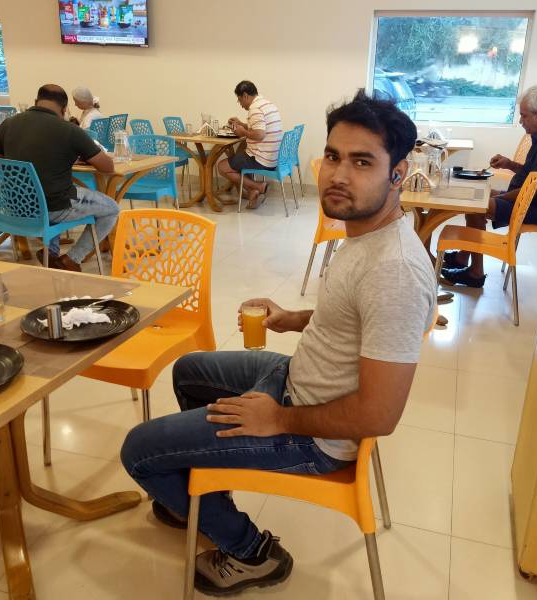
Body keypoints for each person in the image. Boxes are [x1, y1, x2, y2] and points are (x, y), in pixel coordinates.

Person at [121, 91, 437, 596]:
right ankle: (203, 495)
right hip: (295, 381)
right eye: (333, 156)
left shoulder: (393, 270)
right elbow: (358, 322)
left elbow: (378, 415)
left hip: (312, 431)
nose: (338, 175)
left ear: (397, 174)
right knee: (189, 370)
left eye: (362, 162)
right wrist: (295, 319)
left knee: (138, 451)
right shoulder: (368, 234)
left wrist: (279, 419)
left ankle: (252, 552)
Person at [441, 85, 537, 287]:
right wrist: (509, 164)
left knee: (478, 206)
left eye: (524, 116)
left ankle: (475, 273)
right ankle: (463, 258)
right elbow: (532, 175)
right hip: (533, 198)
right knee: (477, 195)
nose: (521, 121)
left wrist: (496, 199)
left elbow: (532, 191)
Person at [0, 84, 119, 272]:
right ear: (64, 108)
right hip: (53, 207)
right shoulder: (69, 130)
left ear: (36, 101)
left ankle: (51, 252)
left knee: (54, 189)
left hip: (12, 207)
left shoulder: (8, 124)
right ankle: (72, 259)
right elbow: (107, 167)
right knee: (111, 209)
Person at [217, 80, 283, 209]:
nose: (240, 104)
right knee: (241, 154)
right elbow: (260, 128)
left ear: (245, 95)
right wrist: (242, 124)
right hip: (273, 157)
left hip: (261, 159)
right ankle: (253, 190)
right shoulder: (268, 104)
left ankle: (258, 186)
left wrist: (242, 132)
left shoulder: (255, 109)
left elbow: (259, 134)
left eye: (239, 100)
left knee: (222, 166)